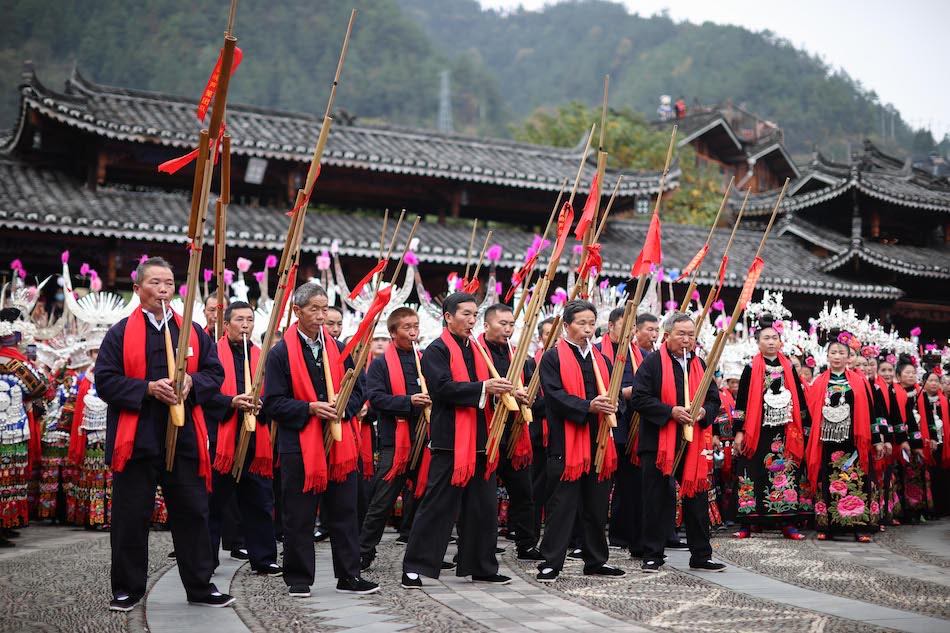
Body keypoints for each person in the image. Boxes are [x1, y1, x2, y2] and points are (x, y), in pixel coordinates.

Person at [94, 257, 234, 610]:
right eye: (155, 282)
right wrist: (147, 388)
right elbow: (106, 381)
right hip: (137, 437)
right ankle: (127, 588)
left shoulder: (192, 331)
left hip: (184, 435)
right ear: (138, 288)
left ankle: (200, 585)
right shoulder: (120, 333)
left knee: (193, 512)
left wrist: (191, 382)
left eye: (169, 283)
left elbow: (214, 374)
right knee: (131, 516)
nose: (163, 289)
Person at [263, 282, 377, 598]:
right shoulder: (280, 353)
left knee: (344, 511)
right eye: (314, 308)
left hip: (339, 440)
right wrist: (310, 408)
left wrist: (342, 409)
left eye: (325, 308)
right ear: (297, 311)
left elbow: (359, 389)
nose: (321, 314)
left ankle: (349, 574)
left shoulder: (340, 349)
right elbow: (272, 402)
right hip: (300, 442)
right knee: (298, 513)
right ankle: (299, 577)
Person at [401, 292, 513, 589]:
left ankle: (482, 565)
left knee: (484, 507)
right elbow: (442, 388)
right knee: (438, 506)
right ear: (448, 316)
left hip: (481, 438)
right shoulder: (437, 349)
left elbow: (487, 386)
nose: (471, 320)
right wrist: (484, 387)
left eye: (475, 315)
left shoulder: (478, 349)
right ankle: (415, 567)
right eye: (465, 314)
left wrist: (502, 389)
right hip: (450, 441)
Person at [535, 299, 625, 583]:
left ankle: (596, 560)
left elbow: (614, 397)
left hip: (598, 441)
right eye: (581, 323)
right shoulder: (552, 357)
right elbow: (554, 396)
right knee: (561, 506)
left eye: (591, 324)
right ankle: (551, 562)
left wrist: (610, 407)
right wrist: (588, 406)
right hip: (566, 441)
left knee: (597, 506)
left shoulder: (603, 360)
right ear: (566, 326)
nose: (587, 330)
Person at [631, 312, 724, 573]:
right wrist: (670, 411)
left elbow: (714, 400)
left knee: (696, 498)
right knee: (655, 498)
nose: (686, 340)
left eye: (691, 335)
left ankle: (701, 555)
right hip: (659, 442)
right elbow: (639, 398)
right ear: (667, 335)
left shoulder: (700, 365)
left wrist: (704, 412)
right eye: (681, 334)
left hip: (692, 443)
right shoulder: (652, 364)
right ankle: (652, 553)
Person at [204, 301, 280, 576]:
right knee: (214, 502)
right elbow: (202, 393)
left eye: (249, 319)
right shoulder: (212, 353)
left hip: (255, 437)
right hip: (222, 436)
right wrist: (230, 402)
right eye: (239, 319)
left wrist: (263, 405)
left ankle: (264, 558)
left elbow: (275, 396)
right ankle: (206, 559)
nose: (246, 324)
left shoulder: (263, 356)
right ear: (226, 325)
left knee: (259, 500)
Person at [359, 307, 430, 571]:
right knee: (382, 500)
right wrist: (408, 401)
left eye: (416, 326)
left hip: (425, 438)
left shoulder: (425, 358)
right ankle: (364, 550)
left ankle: (423, 552)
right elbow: (376, 399)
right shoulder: (380, 365)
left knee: (425, 497)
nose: (413, 331)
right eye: (407, 327)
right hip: (395, 440)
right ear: (393, 332)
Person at [731, 317, 809, 540]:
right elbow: (742, 401)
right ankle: (748, 523)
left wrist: (805, 426)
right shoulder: (750, 367)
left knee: (784, 472)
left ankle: (786, 522)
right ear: (758, 342)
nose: (771, 342)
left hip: (784, 430)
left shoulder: (788, 367)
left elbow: (799, 399)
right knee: (752, 471)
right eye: (766, 338)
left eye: (775, 337)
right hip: (756, 430)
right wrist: (739, 430)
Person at [477, 304, 542, 560]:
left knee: (524, 493)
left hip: (515, 435)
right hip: (486, 433)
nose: (507, 329)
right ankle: (479, 546)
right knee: (483, 496)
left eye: (511, 324)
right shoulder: (476, 353)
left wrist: (526, 396)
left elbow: (530, 392)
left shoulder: (519, 356)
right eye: (502, 323)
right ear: (486, 325)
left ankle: (526, 544)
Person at [804, 340, 880, 542]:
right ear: (827, 356)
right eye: (833, 353)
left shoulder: (859, 381)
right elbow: (810, 414)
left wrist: (877, 439)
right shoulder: (819, 382)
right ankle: (826, 526)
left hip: (852, 439)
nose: (837, 356)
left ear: (848, 357)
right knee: (826, 479)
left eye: (841, 353)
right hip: (826, 439)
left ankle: (859, 527)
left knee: (855, 479)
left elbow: (871, 412)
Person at [599, 310, 658, 556]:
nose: (628, 332)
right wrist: (621, 394)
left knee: (633, 486)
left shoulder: (643, 356)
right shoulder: (596, 354)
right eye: (623, 326)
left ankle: (631, 537)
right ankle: (588, 540)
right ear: (611, 326)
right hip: (605, 425)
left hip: (634, 428)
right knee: (600, 486)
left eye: (631, 328)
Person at [0, 309, 47, 547]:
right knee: (8, 479)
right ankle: (5, 523)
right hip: (11, 431)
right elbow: (40, 387)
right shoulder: (17, 364)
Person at [66, 338, 112, 528]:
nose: (98, 355)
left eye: (100, 351)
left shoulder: (112, 374)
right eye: (94, 351)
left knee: (110, 477)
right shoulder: (83, 380)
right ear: (90, 354)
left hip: (110, 433)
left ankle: (109, 516)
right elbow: (75, 409)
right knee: (92, 475)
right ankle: (93, 517)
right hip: (90, 435)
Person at [892, 357, 932, 522]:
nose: (910, 375)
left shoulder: (920, 394)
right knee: (897, 476)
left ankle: (916, 510)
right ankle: (899, 511)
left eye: (913, 373)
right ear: (899, 376)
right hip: (896, 439)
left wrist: (917, 444)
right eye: (906, 373)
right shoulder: (894, 392)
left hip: (914, 440)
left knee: (914, 476)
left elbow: (927, 419)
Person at [916, 370, 947, 517]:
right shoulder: (918, 399)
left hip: (944, 444)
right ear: (923, 383)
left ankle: (943, 506)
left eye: (936, 381)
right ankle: (929, 508)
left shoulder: (945, 401)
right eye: (930, 380)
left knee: (942, 475)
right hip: (925, 443)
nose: (933, 383)